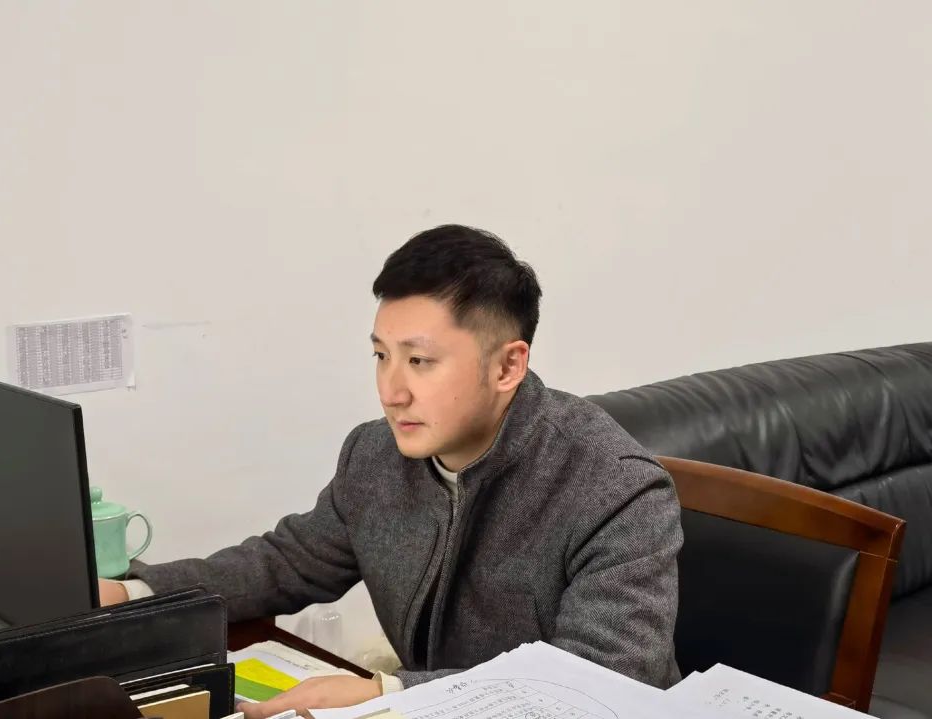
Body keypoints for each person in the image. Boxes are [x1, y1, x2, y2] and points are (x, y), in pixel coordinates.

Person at [99, 225, 683, 718]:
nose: (391, 391)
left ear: (507, 366)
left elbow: (599, 680)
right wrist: (132, 594)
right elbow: (285, 563)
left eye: (420, 361)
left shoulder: (616, 490)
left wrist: (390, 694)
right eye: (381, 355)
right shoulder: (375, 455)